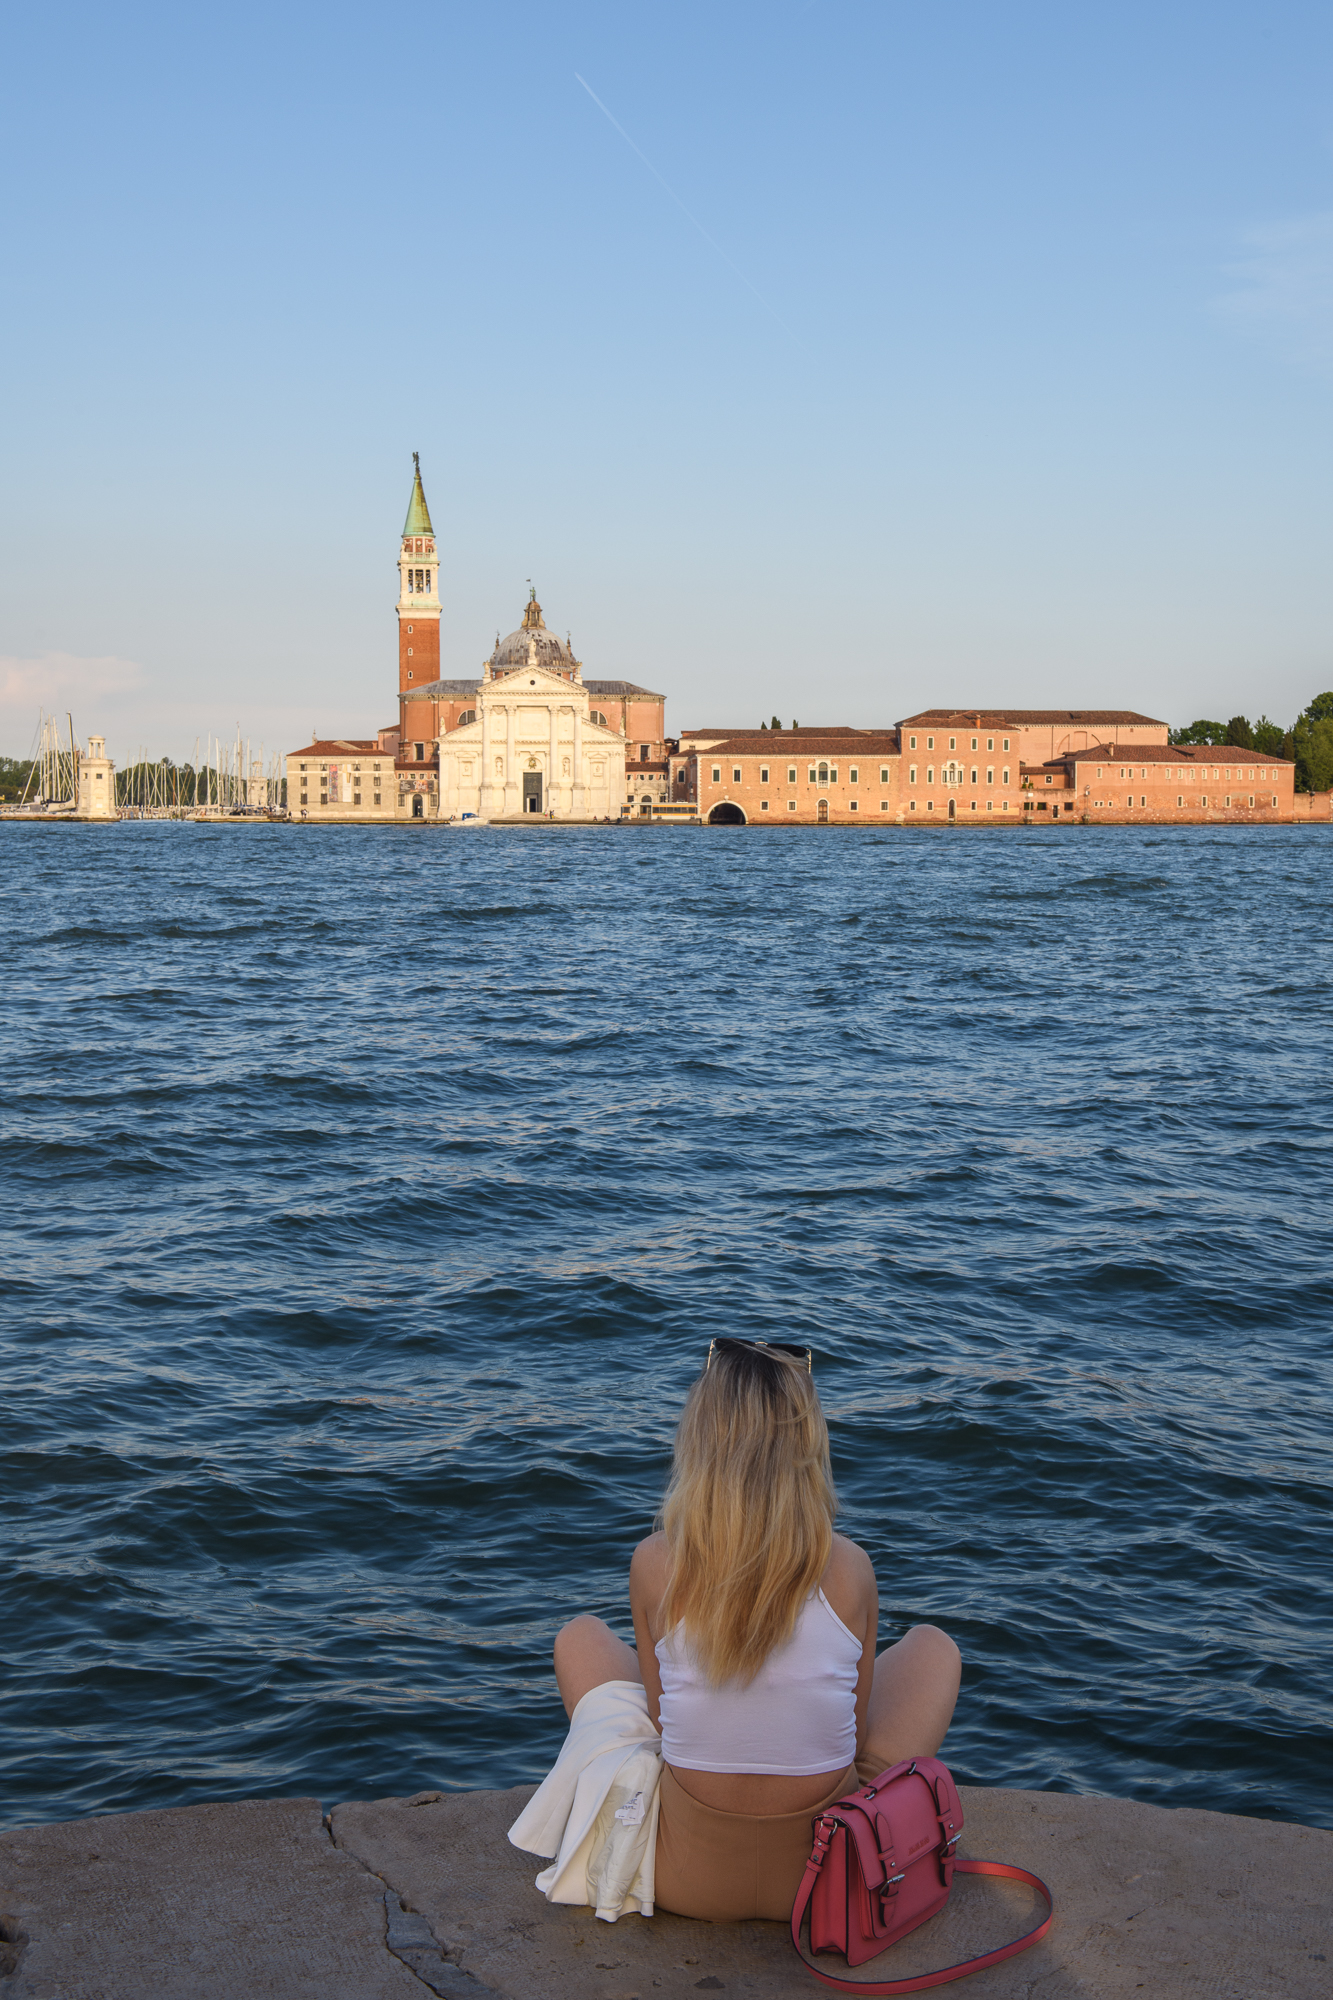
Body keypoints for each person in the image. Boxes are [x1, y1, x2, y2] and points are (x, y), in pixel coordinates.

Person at [551, 1338, 961, 1923]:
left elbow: (663, 1722)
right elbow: (855, 1725)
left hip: (685, 1879)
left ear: (701, 1437)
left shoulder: (656, 1561)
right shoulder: (849, 1569)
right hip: (829, 1875)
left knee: (579, 1637)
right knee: (933, 1648)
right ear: (807, 1441)